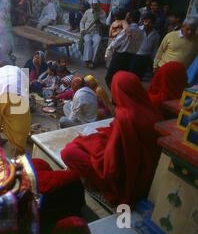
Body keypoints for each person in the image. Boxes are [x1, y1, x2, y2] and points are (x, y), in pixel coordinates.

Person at [61, 71, 163, 206]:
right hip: (144, 172)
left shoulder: (125, 117)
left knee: (68, 152)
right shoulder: (152, 110)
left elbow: (111, 164)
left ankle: (96, 183)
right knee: (88, 139)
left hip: (121, 176)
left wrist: (89, 143)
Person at [0, 65, 31, 156]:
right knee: (21, 124)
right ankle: (19, 150)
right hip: (15, 92)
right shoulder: (17, 69)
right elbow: (26, 84)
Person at [105, 10, 144, 89]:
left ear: (130, 18)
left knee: (109, 78)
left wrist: (108, 51)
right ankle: (117, 94)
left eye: (127, 16)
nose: (126, 18)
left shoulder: (127, 29)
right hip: (131, 57)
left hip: (120, 56)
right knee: (121, 79)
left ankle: (115, 94)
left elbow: (116, 43)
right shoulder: (141, 32)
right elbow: (139, 45)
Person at [131, 12, 161, 79]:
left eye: (149, 22)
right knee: (130, 75)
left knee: (139, 77)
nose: (147, 24)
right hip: (135, 56)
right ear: (143, 21)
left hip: (146, 58)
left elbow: (155, 49)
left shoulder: (156, 35)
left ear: (153, 23)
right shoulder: (137, 30)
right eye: (145, 21)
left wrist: (154, 62)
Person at [80, 0, 106, 69]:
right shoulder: (88, 11)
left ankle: (92, 61)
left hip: (96, 32)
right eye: (93, 5)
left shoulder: (102, 13)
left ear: (99, 5)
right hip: (87, 32)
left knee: (97, 41)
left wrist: (99, 22)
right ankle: (87, 60)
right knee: (88, 41)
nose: (94, 6)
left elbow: (104, 25)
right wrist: (82, 30)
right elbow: (82, 22)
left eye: (96, 5)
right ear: (91, 5)